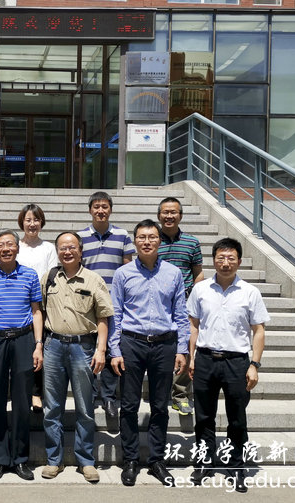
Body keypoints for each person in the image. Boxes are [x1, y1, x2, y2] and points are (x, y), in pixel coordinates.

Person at [109, 219, 190, 487]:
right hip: (132, 343)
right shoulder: (123, 274)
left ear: (159, 240)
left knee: (160, 405)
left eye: (152, 237)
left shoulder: (173, 273)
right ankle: (131, 459)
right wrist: (114, 349)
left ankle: (157, 460)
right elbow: (115, 314)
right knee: (129, 404)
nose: (147, 242)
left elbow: (180, 313)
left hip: (165, 344)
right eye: (142, 237)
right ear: (134, 241)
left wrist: (182, 349)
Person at [188, 238, 269, 493]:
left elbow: (258, 330)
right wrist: (191, 357)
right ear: (213, 260)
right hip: (205, 359)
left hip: (237, 362)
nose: (225, 263)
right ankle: (204, 462)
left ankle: (236, 465)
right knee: (203, 416)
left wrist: (254, 364)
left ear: (239, 261)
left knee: (237, 418)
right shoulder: (200, 289)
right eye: (221, 258)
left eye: (231, 258)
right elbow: (193, 326)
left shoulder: (250, 292)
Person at [41, 232, 113, 483]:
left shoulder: (94, 279)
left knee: (85, 407)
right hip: (53, 346)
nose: (67, 251)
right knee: (52, 408)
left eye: (72, 247)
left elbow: (103, 317)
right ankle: (54, 460)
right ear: (57, 251)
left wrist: (101, 350)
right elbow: (40, 311)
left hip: (83, 348)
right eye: (62, 247)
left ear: (81, 251)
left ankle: (86, 461)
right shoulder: (49, 278)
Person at [0, 229, 43, 482]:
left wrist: (38, 345)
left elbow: (36, 311)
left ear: (17, 247)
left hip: (24, 339)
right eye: (1, 245)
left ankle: (20, 458)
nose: (6, 248)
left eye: (10, 244)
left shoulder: (30, 275)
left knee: (22, 400)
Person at [78, 191, 134, 418]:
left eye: (104, 207)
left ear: (110, 209)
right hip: (87, 302)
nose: (100, 210)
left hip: (114, 302)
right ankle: (91, 394)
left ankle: (109, 396)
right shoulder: (80, 237)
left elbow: (128, 269)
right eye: (96, 207)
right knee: (89, 349)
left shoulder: (122, 235)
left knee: (112, 348)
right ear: (90, 210)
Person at [157, 196, 204, 416]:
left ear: (181, 215)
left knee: (185, 345)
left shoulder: (192, 242)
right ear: (159, 215)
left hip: (184, 301)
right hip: (157, 301)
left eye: (173, 212)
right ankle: (160, 392)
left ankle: (181, 395)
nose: (169, 216)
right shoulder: (152, 239)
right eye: (165, 212)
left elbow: (198, 273)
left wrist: (196, 298)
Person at [16, 203, 57, 413]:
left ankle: (36, 392)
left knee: (39, 347)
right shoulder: (15, 246)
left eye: (36, 220)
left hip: (41, 304)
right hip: (17, 303)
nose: (32, 224)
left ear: (42, 222)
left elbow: (51, 274)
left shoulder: (48, 248)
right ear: (22, 222)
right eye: (28, 220)